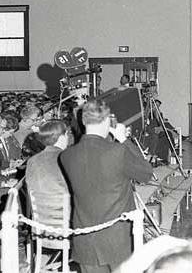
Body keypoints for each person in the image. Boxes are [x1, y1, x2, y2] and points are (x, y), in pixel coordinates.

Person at [60, 99, 154, 273]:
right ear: (106, 121)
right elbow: (146, 173)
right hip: (118, 242)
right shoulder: (117, 151)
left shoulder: (67, 156)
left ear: (83, 120)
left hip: (85, 240)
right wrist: (124, 140)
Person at [25, 120, 73, 249]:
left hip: (40, 227)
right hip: (65, 226)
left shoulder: (32, 161)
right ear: (62, 136)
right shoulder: (67, 157)